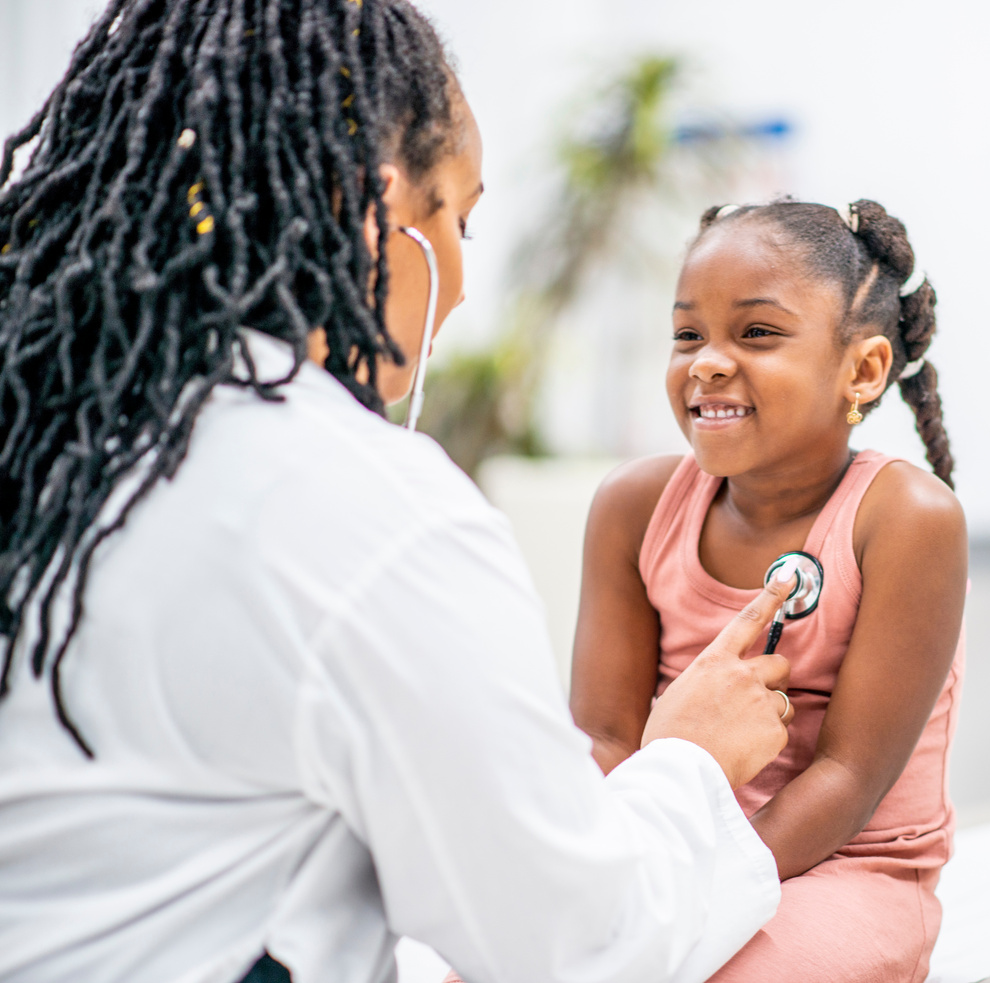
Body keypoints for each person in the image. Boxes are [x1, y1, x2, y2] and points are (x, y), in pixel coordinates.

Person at [0, 2, 799, 981]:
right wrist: (688, 760)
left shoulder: (45, 434)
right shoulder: (360, 508)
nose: (460, 282)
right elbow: (571, 940)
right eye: (455, 219)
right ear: (367, 211)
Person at [568, 200, 970, 983]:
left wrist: (692, 894)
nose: (707, 362)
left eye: (756, 333)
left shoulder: (907, 520)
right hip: (670, 848)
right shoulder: (632, 507)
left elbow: (848, 777)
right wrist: (611, 887)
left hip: (846, 869)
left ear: (862, 369)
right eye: (688, 334)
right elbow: (606, 740)